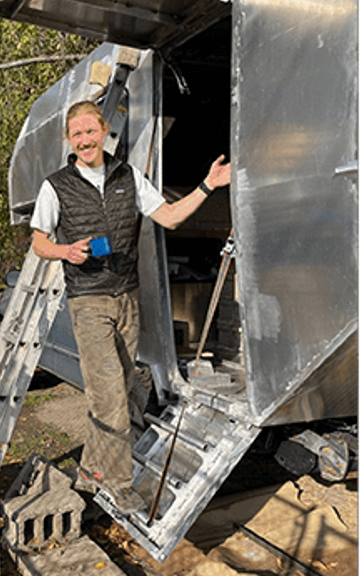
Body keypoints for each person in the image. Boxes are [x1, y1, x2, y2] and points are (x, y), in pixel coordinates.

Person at [29, 100, 230, 517]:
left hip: (127, 299)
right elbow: (38, 241)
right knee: (111, 399)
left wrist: (208, 186)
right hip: (88, 301)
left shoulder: (128, 177)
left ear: (103, 132)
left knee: (119, 390)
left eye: (91, 131)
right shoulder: (57, 186)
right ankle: (119, 485)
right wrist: (65, 250)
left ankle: (89, 471)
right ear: (70, 140)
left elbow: (171, 217)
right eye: (77, 134)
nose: (85, 140)